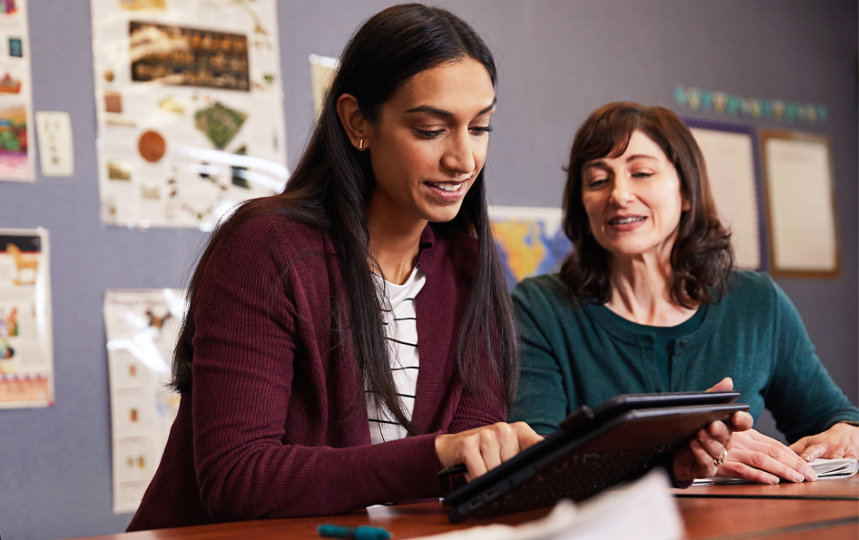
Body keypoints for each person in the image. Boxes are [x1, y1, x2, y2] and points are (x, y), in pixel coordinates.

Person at [126, 4, 543, 531]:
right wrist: (435, 454)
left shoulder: (471, 265)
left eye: (480, 127)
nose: (463, 159)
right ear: (356, 121)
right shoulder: (266, 248)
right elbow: (238, 480)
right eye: (432, 129)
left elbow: (469, 472)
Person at [510, 102, 859, 485]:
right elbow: (534, 460)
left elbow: (831, 415)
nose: (619, 194)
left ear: (687, 192)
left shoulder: (757, 302)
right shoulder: (541, 307)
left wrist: (846, 432)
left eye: (641, 173)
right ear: (582, 204)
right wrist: (675, 458)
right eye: (597, 180)